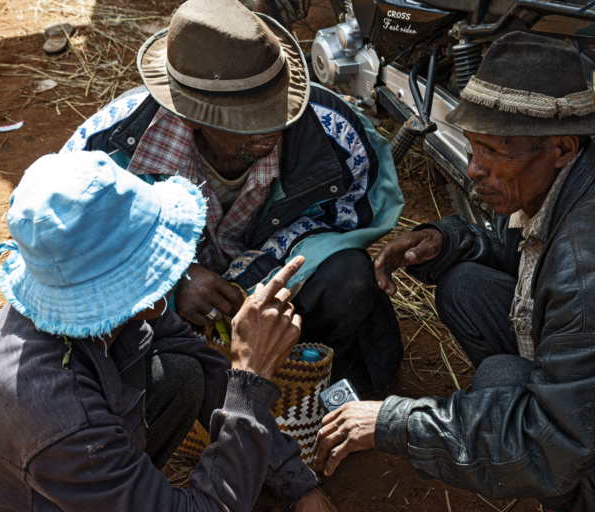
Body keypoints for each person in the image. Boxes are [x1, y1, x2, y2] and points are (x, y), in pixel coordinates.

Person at [314, 32, 595, 511]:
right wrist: (446, 241)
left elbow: (548, 444)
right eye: (474, 147)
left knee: (501, 383)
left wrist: (392, 422)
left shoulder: (592, 273)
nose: (474, 169)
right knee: (464, 286)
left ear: (561, 147)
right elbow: (521, 249)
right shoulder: (579, 179)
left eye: (494, 151)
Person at [0, 151, 333, 511]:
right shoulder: (59, 413)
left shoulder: (93, 301)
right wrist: (251, 378)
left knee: (183, 373)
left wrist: (296, 482)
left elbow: (203, 363)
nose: (177, 262)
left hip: (66, 461)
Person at [60, 0, 405, 393]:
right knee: (159, 372)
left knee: (348, 277)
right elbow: (68, 250)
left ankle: (302, 388)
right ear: (190, 116)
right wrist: (173, 278)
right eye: (248, 119)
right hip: (161, 311)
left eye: (277, 107)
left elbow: (355, 213)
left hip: (282, 285)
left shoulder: (332, 130)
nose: (271, 127)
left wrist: (259, 278)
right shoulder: (106, 149)